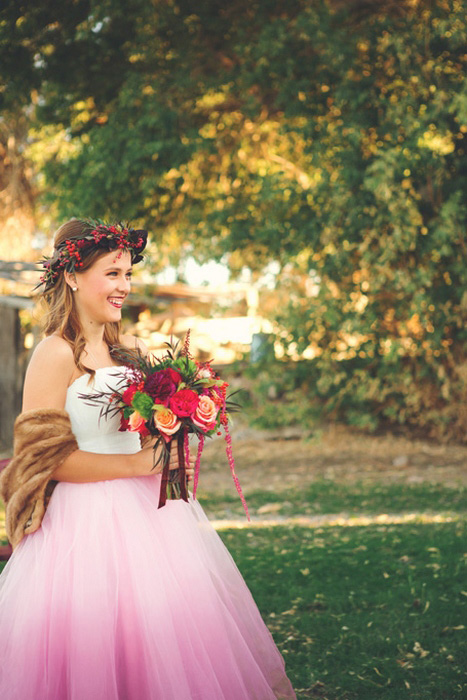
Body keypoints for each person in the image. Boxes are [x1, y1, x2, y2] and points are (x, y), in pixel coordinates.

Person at [0, 219, 296, 700]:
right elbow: (42, 461)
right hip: (81, 528)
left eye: (128, 274)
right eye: (112, 273)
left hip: (153, 519)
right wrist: (139, 467)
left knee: (165, 644)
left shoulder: (133, 350)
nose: (124, 286)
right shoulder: (54, 354)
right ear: (72, 276)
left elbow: (150, 435)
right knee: (93, 644)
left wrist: (173, 453)